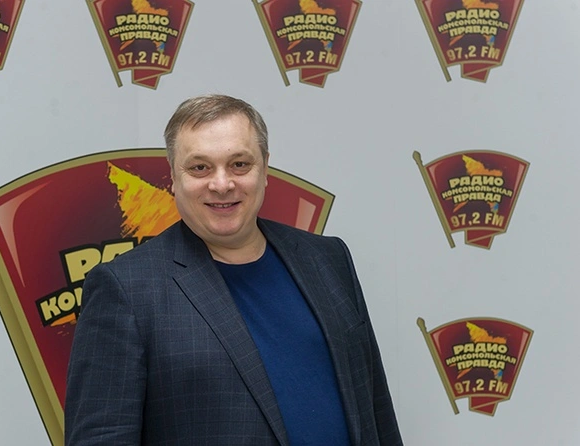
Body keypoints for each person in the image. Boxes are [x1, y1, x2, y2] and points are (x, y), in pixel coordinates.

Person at [65, 94, 403, 445]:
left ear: (265, 168)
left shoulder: (328, 259)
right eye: (200, 168)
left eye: (239, 164)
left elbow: (376, 412)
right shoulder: (125, 289)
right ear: (173, 176)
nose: (222, 184)